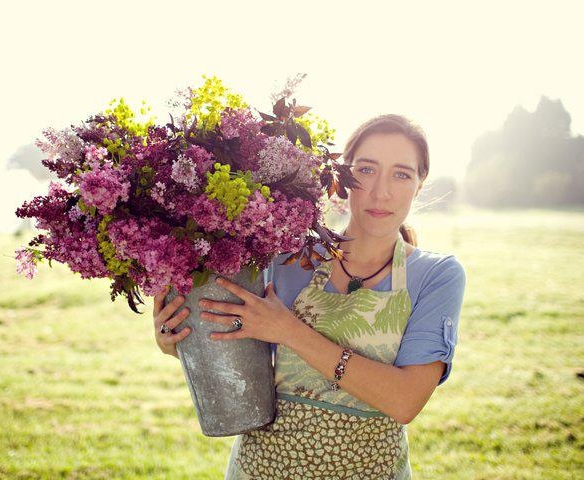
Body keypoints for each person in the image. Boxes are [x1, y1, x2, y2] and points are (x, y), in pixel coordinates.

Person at [152, 114, 467, 479]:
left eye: (401, 174)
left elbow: (404, 401)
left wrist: (290, 331)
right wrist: (179, 338)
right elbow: (230, 342)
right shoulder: (286, 254)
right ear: (342, 178)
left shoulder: (437, 276)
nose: (382, 191)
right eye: (366, 170)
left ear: (419, 183)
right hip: (260, 469)